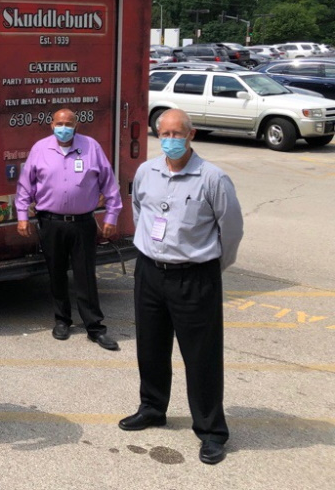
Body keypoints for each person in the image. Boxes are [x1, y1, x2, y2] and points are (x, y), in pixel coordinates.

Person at [119, 108, 243, 466]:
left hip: (195, 276)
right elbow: (140, 210)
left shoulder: (212, 178)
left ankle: (211, 431)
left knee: (201, 357)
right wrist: (152, 248)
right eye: (165, 134)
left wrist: (209, 266)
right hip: (150, 272)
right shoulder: (146, 172)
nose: (171, 140)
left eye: (178, 133)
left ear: (192, 135)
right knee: (150, 346)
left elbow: (231, 230)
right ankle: (152, 407)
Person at [15, 108, 122, 350]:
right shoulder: (40, 148)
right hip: (50, 222)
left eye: (69, 123)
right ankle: (62, 320)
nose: (64, 128)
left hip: (82, 223)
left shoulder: (91, 147)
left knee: (85, 276)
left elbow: (109, 183)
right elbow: (25, 186)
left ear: (77, 126)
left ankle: (95, 327)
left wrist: (112, 215)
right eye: (60, 123)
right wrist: (22, 216)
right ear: (52, 125)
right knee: (56, 273)